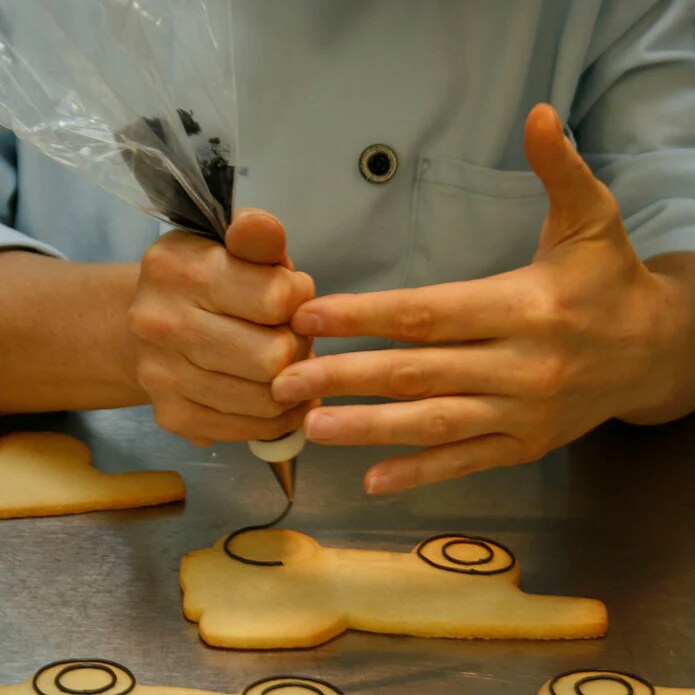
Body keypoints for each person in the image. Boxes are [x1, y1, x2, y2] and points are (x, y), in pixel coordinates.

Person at [1, 1, 694, 495]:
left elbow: (677, 218)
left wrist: (649, 337)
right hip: (87, 526)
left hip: (529, 518)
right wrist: (121, 337)